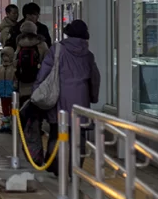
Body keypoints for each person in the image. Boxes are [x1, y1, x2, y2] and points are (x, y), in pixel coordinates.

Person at [34, 19, 100, 176]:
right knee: (79, 137)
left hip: (59, 99)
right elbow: (95, 78)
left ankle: (55, 166)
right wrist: (93, 97)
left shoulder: (57, 50)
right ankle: (75, 169)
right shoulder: (88, 55)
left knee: (56, 133)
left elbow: (44, 73)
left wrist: (36, 91)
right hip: (81, 102)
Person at [13, 21, 50, 161]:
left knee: (24, 121)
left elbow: (14, 63)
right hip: (37, 89)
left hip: (22, 89)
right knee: (36, 121)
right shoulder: (41, 45)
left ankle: (27, 148)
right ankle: (36, 153)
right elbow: (48, 65)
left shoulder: (20, 44)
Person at [0, 46, 17, 133]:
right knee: (4, 109)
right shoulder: (0, 68)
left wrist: (14, 87)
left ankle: (11, 126)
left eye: (7, 55)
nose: (5, 58)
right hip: (2, 92)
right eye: (3, 56)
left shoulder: (14, 68)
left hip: (10, 93)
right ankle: (5, 125)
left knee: (12, 110)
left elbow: (16, 79)